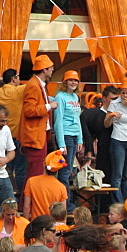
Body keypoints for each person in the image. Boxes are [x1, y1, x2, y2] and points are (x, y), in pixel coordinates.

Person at [20, 54, 57, 182]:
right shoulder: (34, 85)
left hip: (39, 136)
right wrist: (49, 106)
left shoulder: (38, 84)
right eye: (51, 68)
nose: (53, 70)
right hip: (34, 137)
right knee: (34, 177)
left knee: (35, 175)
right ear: (44, 69)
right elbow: (29, 111)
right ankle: (29, 202)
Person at [53, 70, 83, 205]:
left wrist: (80, 139)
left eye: (76, 80)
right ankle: (65, 203)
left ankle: (66, 202)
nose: (73, 82)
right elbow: (58, 120)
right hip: (65, 135)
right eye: (70, 80)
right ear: (65, 82)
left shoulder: (76, 97)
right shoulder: (60, 97)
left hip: (75, 135)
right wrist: (61, 143)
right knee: (65, 172)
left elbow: (78, 119)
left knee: (69, 171)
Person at [23, 150, 69, 220]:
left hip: (36, 224)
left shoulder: (31, 181)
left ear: (44, 164)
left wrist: (26, 225)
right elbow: (62, 214)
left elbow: (26, 207)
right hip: (52, 227)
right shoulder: (62, 187)